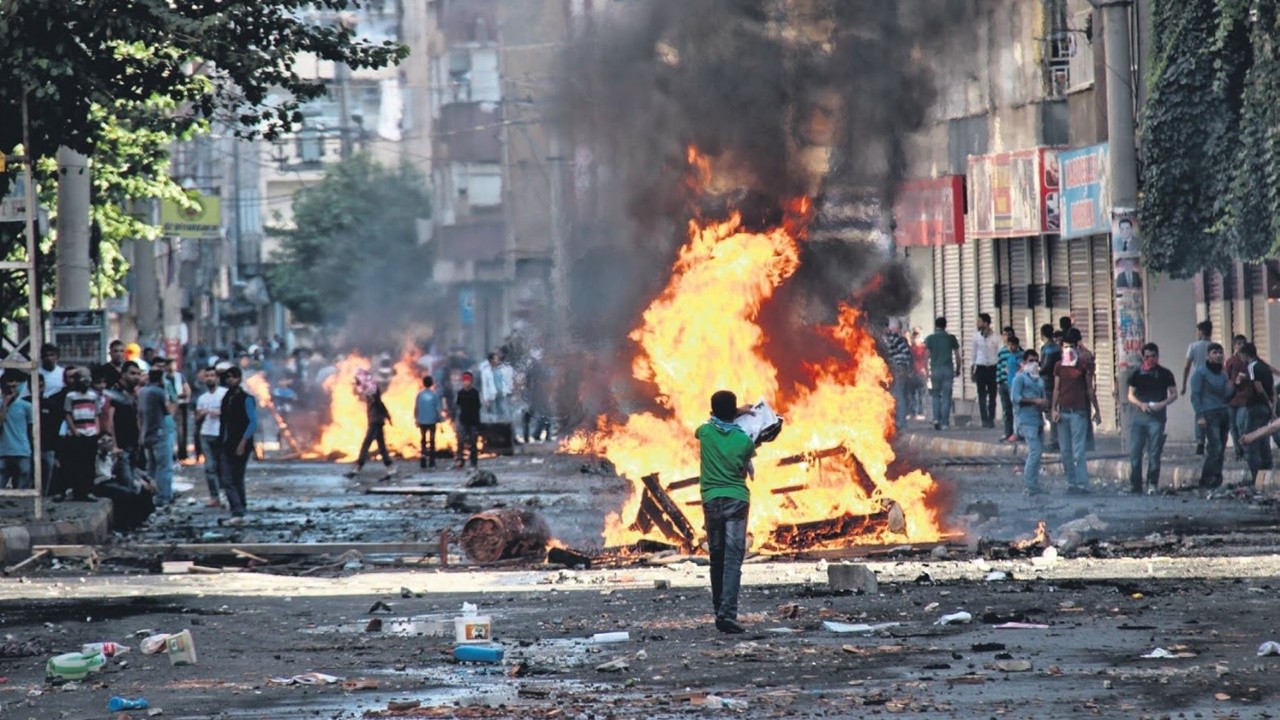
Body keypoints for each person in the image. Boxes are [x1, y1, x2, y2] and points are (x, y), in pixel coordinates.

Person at [696, 390, 756, 634]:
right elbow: (745, 465)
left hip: (711, 502)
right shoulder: (744, 441)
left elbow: (710, 421)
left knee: (716, 558)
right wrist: (740, 413)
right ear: (734, 413)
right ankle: (727, 614)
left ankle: (718, 609)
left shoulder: (705, 433)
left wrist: (732, 412)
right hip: (736, 502)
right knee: (733, 559)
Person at [1052, 328, 1100, 495]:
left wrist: (1097, 410)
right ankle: (1072, 482)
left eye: (1071, 346)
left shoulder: (1083, 364)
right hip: (1063, 412)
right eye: (1066, 346)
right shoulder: (1059, 366)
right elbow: (1057, 389)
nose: (1068, 350)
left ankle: (1082, 484)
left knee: (1078, 451)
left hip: (1079, 412)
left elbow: (1089, 389)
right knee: (1065, 451)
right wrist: (1053, 409)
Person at [1125, 343, 1178, 494]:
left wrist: (1162, 404)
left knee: (1154, 452)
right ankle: (1135, 485)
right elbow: (1130, 395)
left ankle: (1152, 483)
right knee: (1135, 452)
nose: (1150, 360)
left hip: (1157, 418)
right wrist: (1141, 405)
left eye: (1153, 356)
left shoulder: (1165, 374)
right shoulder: (1137, 374)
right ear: (1143, 357)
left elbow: (1174, 394)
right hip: (1139, 418)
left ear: (1157, 356)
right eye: (1147, 357)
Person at [217, 365, 258, 521]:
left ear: (239, 379)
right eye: (227, 377)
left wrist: (243, 443)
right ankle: (240, 508)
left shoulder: (246, 398)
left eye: (233, 377)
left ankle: (238, 510)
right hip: (226, 443)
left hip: (241, 444)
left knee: (233, 478)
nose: (230, 380)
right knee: (230, 478)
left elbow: (252, 423)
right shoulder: (227, 397)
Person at [1190, 343, 1232, 489]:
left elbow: (1227, 395)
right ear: (1208, 355)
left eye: (1221, 352)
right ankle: (1206, 478)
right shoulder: (1201, 373)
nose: (1219, 355)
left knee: (1221, 447)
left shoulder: (1223, 374)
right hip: (1209, 413)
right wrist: (1200, 416)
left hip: (1223, 413)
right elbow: (1195, 396)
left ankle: (1216, 477)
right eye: (1215, 352)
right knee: (1215, 446)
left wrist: (1235, 385)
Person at [60, 366, 102, 501]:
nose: (86, 380)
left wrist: (97, 429)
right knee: (76, 463)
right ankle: (76, 491)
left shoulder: (93, 395)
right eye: (83, 377)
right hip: (77, 433)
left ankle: (88, 491)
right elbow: (68, 414)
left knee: (89, 464)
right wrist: (74, 430)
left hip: (91, 432)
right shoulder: (71, 396)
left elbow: (96, 414)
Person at [1009, 350, 1047, 495]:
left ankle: (1034, 485)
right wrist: (1034, 401)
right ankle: (1029, 486)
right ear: (1024, 363)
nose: (1034, 364)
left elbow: (1043, 399)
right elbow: (1015, 398)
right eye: (1031, 361)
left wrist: (1044, 404)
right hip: (1025, 421)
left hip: (1038, 420)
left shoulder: (1039, 380)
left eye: (1036, 361)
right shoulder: (1019, 379)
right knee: (1035, 451)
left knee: (1038, 453)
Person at [345, 373, 396, 480]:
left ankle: (357, 468)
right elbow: (381, 404)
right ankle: (391, 468)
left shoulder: (372, 395)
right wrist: (388, 417)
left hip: (375, 423)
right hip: (378, 422)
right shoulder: (373, 395)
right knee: (382, 447)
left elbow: (376, 400)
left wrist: (388, 417)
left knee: (366, 445)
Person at [1237, 343, 1274, 481]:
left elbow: (1258, 387)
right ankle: (1266, 473)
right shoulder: (1264, 366)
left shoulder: (1251, 367)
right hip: (1265, 407)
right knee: (1263, 440)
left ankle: (1256, 476)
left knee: (1251, 443)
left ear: (1245, 354)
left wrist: (1265, 401)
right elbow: (1273, 390)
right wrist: (1271, 405)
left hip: (1256, 406)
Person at [103, 362, 143, 490]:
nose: (136, 377)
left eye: (138, 374)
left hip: (133, 444)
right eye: (132, 373)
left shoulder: (132, 393)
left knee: (133, 482)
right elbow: (110, 420)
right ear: (123, 374)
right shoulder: (115, 392)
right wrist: (114, 445)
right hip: (121, 446)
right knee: (126, 484)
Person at [139, 368, 174, 506]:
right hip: (159, 432)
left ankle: (150, 497)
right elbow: (167, 411)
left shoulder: (142, 391)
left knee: (151, 467)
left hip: (146, 433)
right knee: (164, 467)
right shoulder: (159, 392)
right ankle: (162, 497)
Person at [1178, 320, 1214, 455]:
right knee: (1212, 410)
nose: (1197, 334)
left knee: (1199, 411)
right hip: (1212, 382)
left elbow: (1187, 366)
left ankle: (1200, 441)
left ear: (1202, 332)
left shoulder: (1193, 347)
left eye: (1198, 331)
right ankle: (1211, 440)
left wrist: (1183, 385)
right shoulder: (1215, 346)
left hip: (1197, 381)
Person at [195, 366, 228, 507]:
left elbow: (232, 412)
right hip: (206, 434)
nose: (209, 378)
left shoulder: (225, 394)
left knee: (223, 466)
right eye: (207, 375)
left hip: (221, 434)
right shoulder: (202, 398)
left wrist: (219, 413)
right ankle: (214, 496)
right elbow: (196, 419)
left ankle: (225, 494)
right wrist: (200, 415)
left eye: (212, 375)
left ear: (217, 378)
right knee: (210, 467)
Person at [924, 316, 960, 431]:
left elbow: (926, 356)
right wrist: (958, 368)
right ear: (945, 325)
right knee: (946, 397)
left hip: (935, 370)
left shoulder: (930, 338)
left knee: (935, 395)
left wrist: (927, 370)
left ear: (936, 326)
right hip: (948, 369)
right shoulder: (950, 338)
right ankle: (945, 422)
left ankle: (936, 419)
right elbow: (957, 356)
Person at [0, 372, 34, 489]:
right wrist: (5, 404)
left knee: (23, 478)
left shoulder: (26, 406)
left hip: (22, 449)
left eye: (14, 386)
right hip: (3, 450)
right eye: (8, 387)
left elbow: (31, 428)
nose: (11, 390)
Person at [881, 319, 913, 429]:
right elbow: (907, 355)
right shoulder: (893, 339)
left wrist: (903, 368)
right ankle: (896, 423)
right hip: (892, 371)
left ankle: (900, 424)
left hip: (896, 371)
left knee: (898, 396)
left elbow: (905, 355)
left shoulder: (892, 340)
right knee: (895, 396)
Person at [971, 313, 1000, 429]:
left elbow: (999, 353)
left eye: (980, 321)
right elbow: (973, 354)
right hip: (980, 368)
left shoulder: (996, 337)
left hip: (993, 368)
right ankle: (984, 419)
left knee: (992, 395)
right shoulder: (976, 337)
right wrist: (972, 371)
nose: (978, 323)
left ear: (986, 323)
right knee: (981, 395)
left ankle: (991, 418)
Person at [1225, 334, 1251, 460]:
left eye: (1243, 343)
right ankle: (1238, 451)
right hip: (1231, 399)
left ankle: (1246, 451)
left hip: (1244, 398)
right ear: (1234, 345)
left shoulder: (1249, 361)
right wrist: (1235, 381)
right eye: (1238, 343)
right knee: (1233, 427)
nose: (1241, 345)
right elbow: (1226, 379)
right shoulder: (1231, 362)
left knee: (1241, 424)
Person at [1038, 325, 1062, 452]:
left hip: (1048, 382)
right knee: (1055, 409)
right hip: (1057, 382)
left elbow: (1045, 366)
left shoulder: (1047, 349)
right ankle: (1057, 439)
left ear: (1042, 335)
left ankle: (1054, 440)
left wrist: (1038, 372)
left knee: (1049, 411)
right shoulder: (1058, 348)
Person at [522, 348, 553, 443]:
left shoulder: (532, 366)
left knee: (536, 415)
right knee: (546, 414)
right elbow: (546, 378)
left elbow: (527, 382)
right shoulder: (538, 367)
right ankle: (539, 435)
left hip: (534, 395)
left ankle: (532, 435)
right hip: (538, 395)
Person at [164, 357, 191, 461]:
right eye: (169, 364)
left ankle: (182, 454)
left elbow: (187, 389)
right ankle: (171, 453)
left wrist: (185, 396)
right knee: (169, 429)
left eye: (173, 364)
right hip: (168, 405)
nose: (172, 367)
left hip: (180, 405)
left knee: (181, 431)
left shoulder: (180, 376)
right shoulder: (164, 378)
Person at [997, 333, 1022, 442]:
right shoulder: (1008, 355)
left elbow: (1022, 368)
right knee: (1007, 411)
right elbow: (1002, 368)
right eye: (1009, 345)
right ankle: (1009, 433)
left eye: (1013, 345)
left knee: (1017, 410)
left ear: (1017, 345)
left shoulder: (1020, 355)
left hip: (1016, 386)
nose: (1011, 347)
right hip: (1007, 384)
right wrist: (999, 381)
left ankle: (1018, 433)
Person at [415, 375, 443, 470]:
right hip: (432, 421)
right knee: (432, 441)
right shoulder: (435, 395)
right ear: (431, 383)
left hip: (422, 421)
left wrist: (416, 419)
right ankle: (432, 462)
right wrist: (440, 419)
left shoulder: (420, 395)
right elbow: (438, 409)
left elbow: (416, 408)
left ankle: (423, 461)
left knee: (423, 440)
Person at [454, 371, 481, 469]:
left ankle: (473, 462)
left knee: (473, 443)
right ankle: (460, 460)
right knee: (460, 442)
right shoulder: (460, 393)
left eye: (468, 380)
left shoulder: (475, 393)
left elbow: (478, 406)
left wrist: (478, 422)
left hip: (473, 421)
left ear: (471, 382)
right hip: (463, 420)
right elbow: (458, 406)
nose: (466, 382)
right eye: (464, 380)